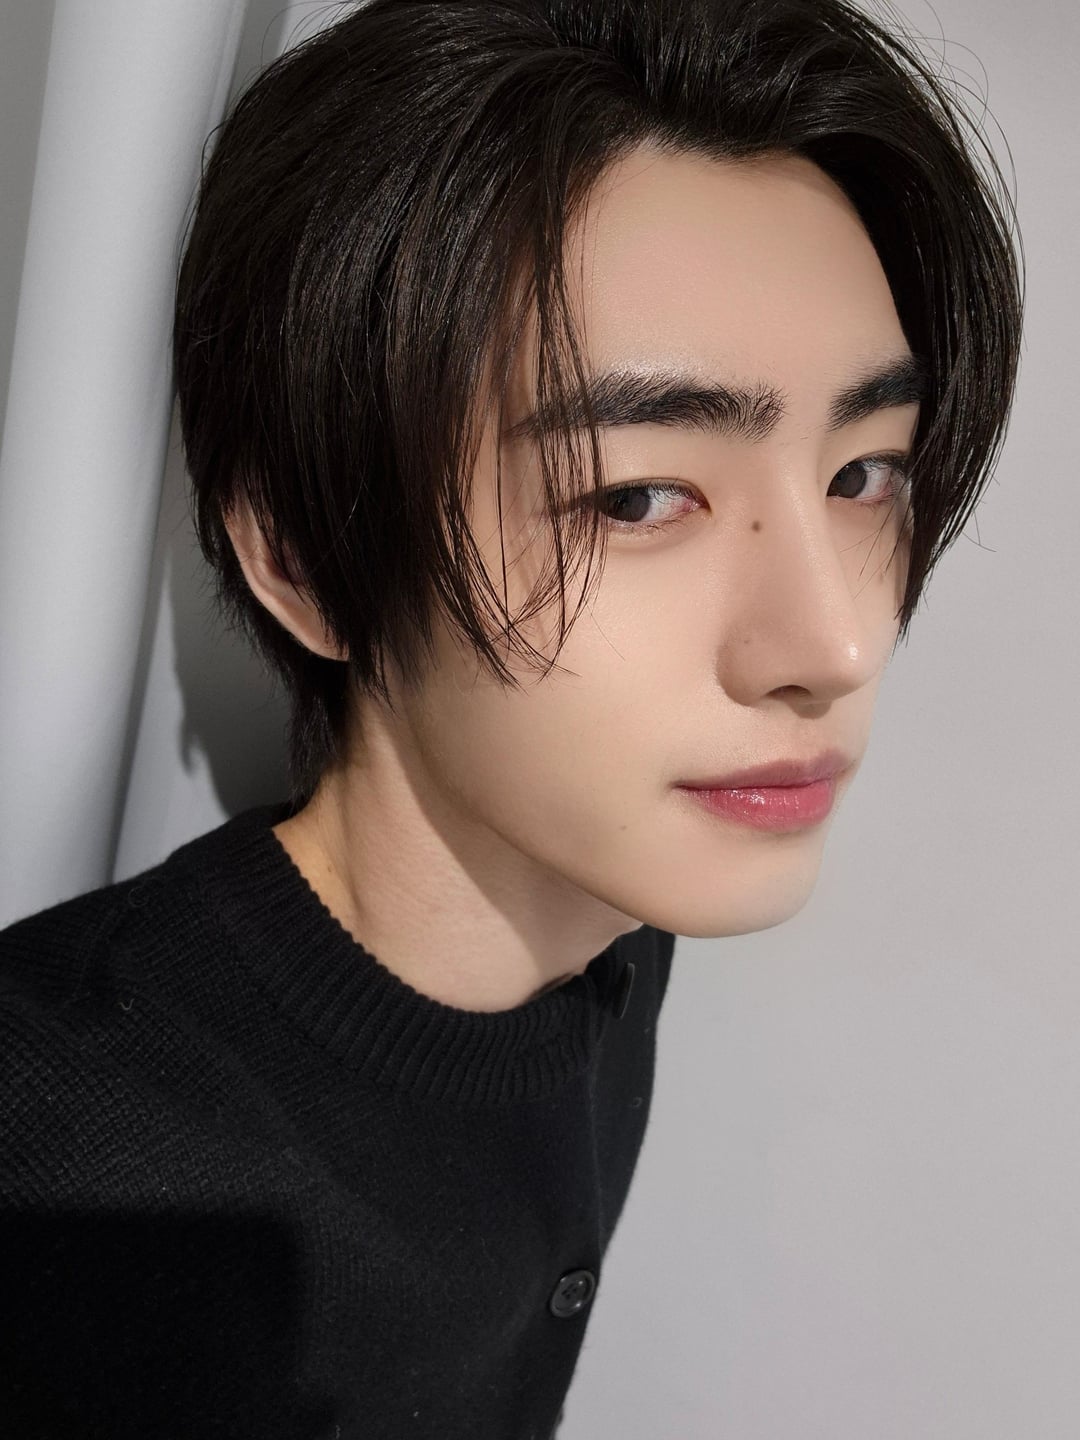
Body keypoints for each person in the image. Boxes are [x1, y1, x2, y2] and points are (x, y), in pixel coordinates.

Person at [0, 1, 1022, 1436]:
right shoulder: (63, 1173)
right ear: (304, 560)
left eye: (864, 476)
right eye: (637, 496)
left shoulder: (621, 925)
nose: (837, 644)